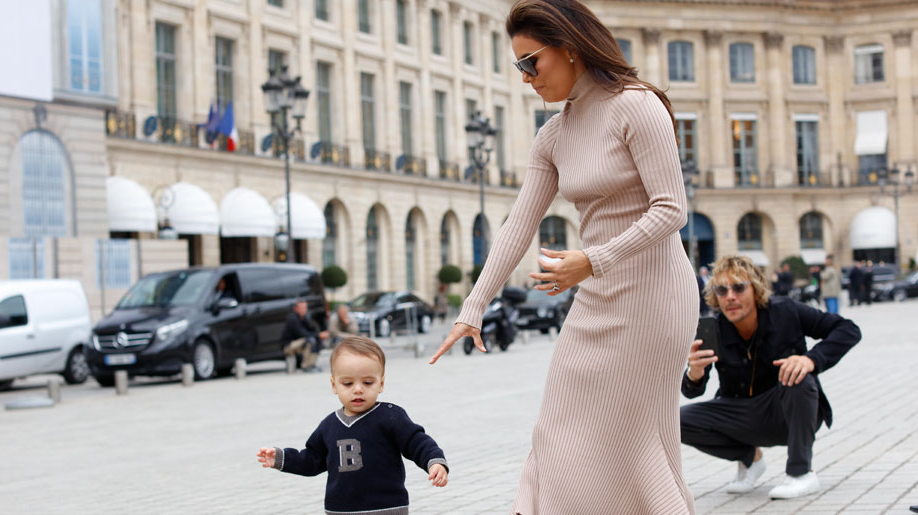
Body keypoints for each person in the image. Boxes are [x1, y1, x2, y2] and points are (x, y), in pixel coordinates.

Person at [429, 1, 699, 512]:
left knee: (634, 438)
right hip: (597, 297)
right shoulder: (553, 135)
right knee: (557, 434)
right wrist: (474, 306)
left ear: (569, 48)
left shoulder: (637, 105)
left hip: (654, 297)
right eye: (519, 67)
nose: (526, 77)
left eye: (531, 62)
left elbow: (672, 209)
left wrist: (591, 260)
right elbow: (517, 226)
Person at [681, 255, 860, 499]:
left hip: (787, 411)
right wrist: (695, 373)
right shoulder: (716, 329)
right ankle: (750, 459)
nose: (730, 296)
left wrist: (811, 360)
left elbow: (848, 329)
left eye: (739, 287)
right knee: (674, 420)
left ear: (755, 290)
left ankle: (801, 474)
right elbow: (691, 391)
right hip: (741, 414)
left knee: (797, 375)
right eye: (721, 290)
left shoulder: (786, 311)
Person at [257, 336, 448, 514]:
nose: (358, 390)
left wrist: (434, 461)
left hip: (387, 508)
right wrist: (282, 459)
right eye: (348, 383)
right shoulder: (329, 425)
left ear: (381, 384)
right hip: (340, 510)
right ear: (334, 385)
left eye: (367, 382)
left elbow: (417, 442)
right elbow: (312, 459)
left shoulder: (390, 416)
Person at [282, 300, 328, 373]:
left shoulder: (303, 318)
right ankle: (306, 366)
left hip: (299, 343)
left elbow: (312, 330)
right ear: (295, 309)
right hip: (289, 346)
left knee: (317, 339)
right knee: (310, 340)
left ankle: (311, 364)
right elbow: (302, 334)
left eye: (305, 308)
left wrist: (319, 334)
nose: (304, 310)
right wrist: (318, 335)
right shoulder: (292, 319)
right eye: (302, 308)